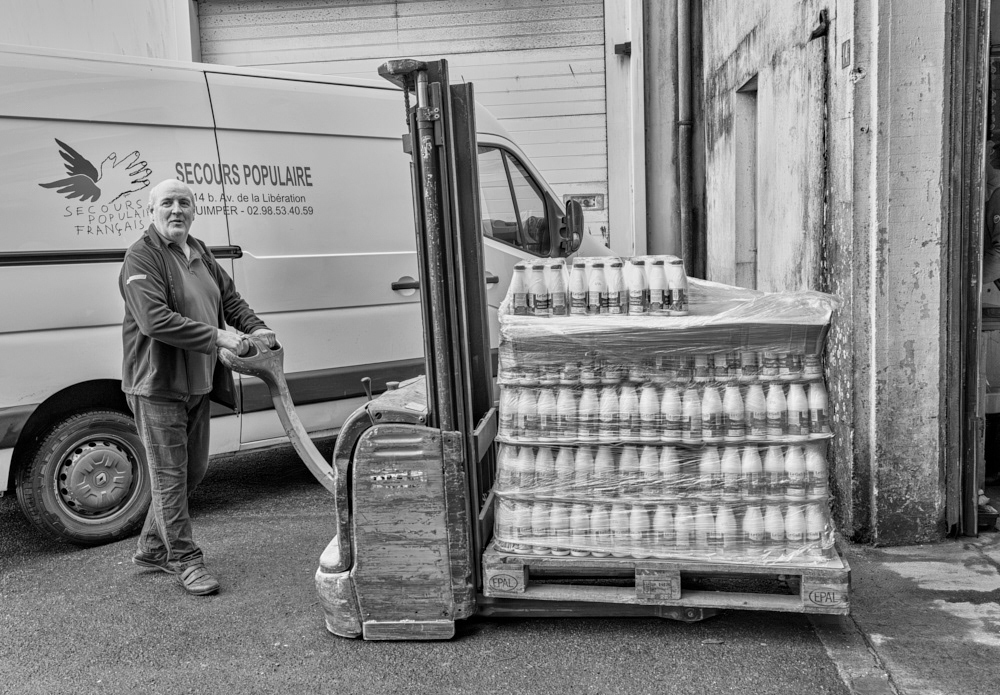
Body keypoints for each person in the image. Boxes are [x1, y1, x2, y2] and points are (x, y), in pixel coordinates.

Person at [119, 179, 276, 596]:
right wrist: (220, 337)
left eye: (184, 203)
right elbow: (154, 320)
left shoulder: (199, 250)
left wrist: (257, 328)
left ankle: (153, 548)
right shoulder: (141, 256)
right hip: (157, 385)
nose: (177, 210)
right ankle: (185, 559)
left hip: (198, 382)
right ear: (151, 211)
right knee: (170, 477)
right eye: (167, 203)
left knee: (191, 472)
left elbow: (230, 299)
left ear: (194, 210)